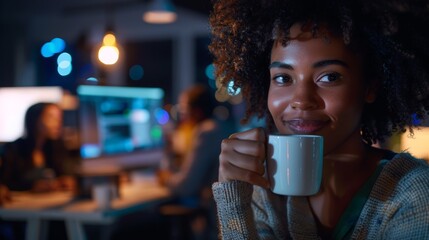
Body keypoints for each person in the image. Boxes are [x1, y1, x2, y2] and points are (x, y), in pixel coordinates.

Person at [209, 0, 429, 239]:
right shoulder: (260, 189)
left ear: (370, 87)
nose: (301, 100)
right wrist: (233, 198)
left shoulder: (413, 192)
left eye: (329, 77)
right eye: (283, 78)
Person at [109, 84, 234, 240]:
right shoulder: (221, 127)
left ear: (195, 111)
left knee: (130, 227)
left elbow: (186, 187)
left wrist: (165, 178)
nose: (182, 114)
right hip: (224, 215)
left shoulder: (206, 132)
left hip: (214, 223)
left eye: (184, 109)